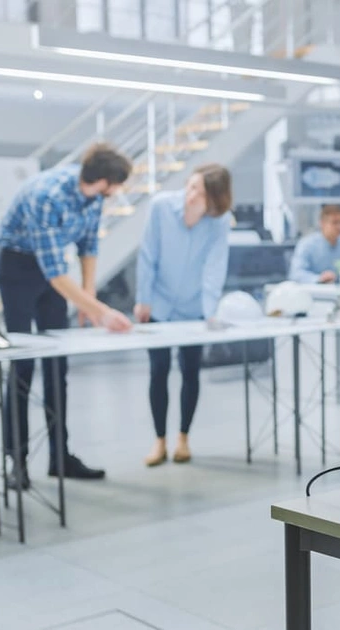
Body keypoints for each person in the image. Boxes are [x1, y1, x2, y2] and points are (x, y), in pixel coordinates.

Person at [0, 143, 134, 490]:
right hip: (17, 268)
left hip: (54, 270)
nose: (117, 192)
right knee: (22, 365)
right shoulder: (47, 196)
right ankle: (16, 462)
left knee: (57, 365)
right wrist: (102, 313)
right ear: (103, 182)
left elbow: (88, 246)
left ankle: (60, 458)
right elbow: (56, 275)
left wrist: (88, 298)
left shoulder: (93, 197)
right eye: (116, 186)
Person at [134, 164, 232, 467]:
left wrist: (210, 312)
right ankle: (159, 441)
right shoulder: (161, 207)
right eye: (190, 186)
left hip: (193, 309)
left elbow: (214, 267)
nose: (190, 196)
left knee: (191, 372)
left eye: (200, 193)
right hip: (159, 305)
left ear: (213, 200)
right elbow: (147, 255)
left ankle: (183, 439)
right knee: (158, 370)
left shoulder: (219, 222)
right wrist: (143, 299)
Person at [287, 203, 340, 283]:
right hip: (314, 289)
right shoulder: (307, 244)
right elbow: (295, 273)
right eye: (335, 222)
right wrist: (318, 278)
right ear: (322, 223)